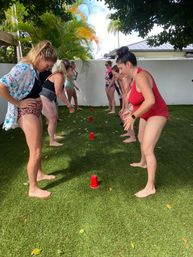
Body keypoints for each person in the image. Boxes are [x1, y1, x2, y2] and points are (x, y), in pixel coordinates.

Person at [0, 40, 57, 199]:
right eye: (48, 64)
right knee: (36, 150)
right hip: (26, 112)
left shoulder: (33, 69)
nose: (49, 68)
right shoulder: (24, 67)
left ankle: (39, 174)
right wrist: (18, 103)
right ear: (39, 57)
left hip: (34, 111)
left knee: (38, 147)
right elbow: (1, 85)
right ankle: (33, 188)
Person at [116, 46, 169, 198]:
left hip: (157, 113)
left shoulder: (140, 76)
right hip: (147, 114)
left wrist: (133, 117)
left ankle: (150, 186)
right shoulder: (134, 78)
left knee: (147, 147)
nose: (120, 72)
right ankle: (143, 163)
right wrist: (131, 111)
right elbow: (139, 100)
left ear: (128, 64)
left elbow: (151, 100)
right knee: (140, 138)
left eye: (120, 68)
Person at [40, 60, 74, 147]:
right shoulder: (59, 76)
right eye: (71, 69)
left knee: (55, 118)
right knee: (52, 119)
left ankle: (54, 136)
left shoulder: (60, 75)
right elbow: (59, 92)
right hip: (45, 98)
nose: (72, 71)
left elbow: (61, 91)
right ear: (67, 69)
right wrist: (68, 104)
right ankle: (52, 141)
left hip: (49, 98)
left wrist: (68, 103)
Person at [112, 65, 136, 143]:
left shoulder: (125, 79)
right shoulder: (121, 79)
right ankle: (129, 133)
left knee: (126, 115)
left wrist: (124, 108)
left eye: (115, 74)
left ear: (119, 73)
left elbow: (126, 95)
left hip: (133, 100)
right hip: (129, 99)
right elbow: (124, 95)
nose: (114, 76)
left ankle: (133, 137)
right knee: (122, 114)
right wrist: (123, 108)